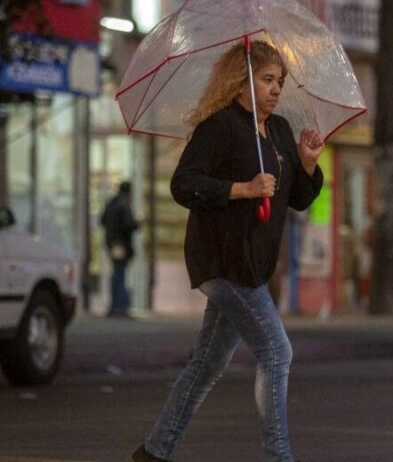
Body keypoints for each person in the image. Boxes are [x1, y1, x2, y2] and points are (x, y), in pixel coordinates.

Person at [130, 40, 323, 462]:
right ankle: (279, 456)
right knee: (277, 352)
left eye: (280, 82)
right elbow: (183, 184)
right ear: (242, 81)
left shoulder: (281, 132)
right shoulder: (219, 128)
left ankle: (154, 452)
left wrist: (307, 164)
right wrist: (242, 189)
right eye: (267, 80)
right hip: (222, 262)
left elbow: (298, 199)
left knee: (207, 366)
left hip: (252, 264)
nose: (275, 89)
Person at [100, 181, 140, 318]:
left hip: (112, 243)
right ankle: (120, 307)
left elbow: (102, 220)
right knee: (120, 273)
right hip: (121, 244)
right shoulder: (124, 204)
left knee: (117, 273)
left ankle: (115, 306)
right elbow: (129, 224)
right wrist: (138, 223)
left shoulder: (111, 202)